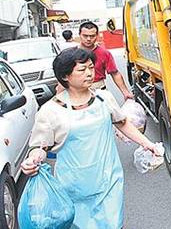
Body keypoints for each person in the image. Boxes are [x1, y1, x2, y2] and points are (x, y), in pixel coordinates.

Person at [21, 47, 160, 228]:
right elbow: (39, 146)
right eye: (82, 69)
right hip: (73, 188)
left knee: (114, 223)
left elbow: (122, 122)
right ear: (65, 76)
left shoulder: (104, 98)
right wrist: (33, 160)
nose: (89, 73)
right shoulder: (50, 111)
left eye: (91, 67)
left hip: (108, 180)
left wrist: (147, 143)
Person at [58, 21, 133, 100]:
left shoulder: (104, 53)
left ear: (97, 36)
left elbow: (115, 73)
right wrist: (58, 98)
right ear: (79, 35)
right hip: (76, 94)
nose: (88, 39)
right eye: (85, 36)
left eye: (92, 36)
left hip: (99, 91)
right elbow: (62, 78)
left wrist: (125, 92)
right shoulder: (70, 54)